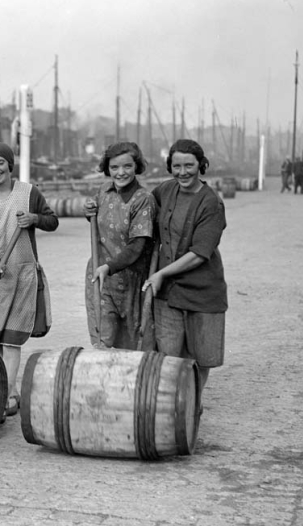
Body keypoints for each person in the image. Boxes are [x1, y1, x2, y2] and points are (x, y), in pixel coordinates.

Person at [0, 142, 58, 420]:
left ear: (10, 165)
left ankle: (5, 395)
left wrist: (33, 218)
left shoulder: (28, 193)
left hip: (22, 274)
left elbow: (52, 220)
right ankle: (8, 387)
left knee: (12, 340)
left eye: (0, 163)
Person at [142, 139, 227, 409]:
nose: (183, 172)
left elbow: (199, 254)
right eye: (176, 166)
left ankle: (192, 404)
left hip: (203, 290)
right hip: (168, 293)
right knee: (168, 354)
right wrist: (95, 208)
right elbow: (137, 209)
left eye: (189, 165)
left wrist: (161, 274)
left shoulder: (211, 202)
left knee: (201, 355)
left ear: (201, 165)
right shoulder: (164, 191)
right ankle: (171, 406)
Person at [83, 142, 156, 349]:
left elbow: (137, 246)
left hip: (132, 280)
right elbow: (99, 221)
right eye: (114, 167)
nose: (121, 173)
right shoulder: (104, 191)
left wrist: (110, 267)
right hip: (100, 277)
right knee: (102, 340)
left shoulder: (143, 200)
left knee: (133, 343)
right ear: (107, 169)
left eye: (127, 166)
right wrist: (88, 211)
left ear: (137, 166)